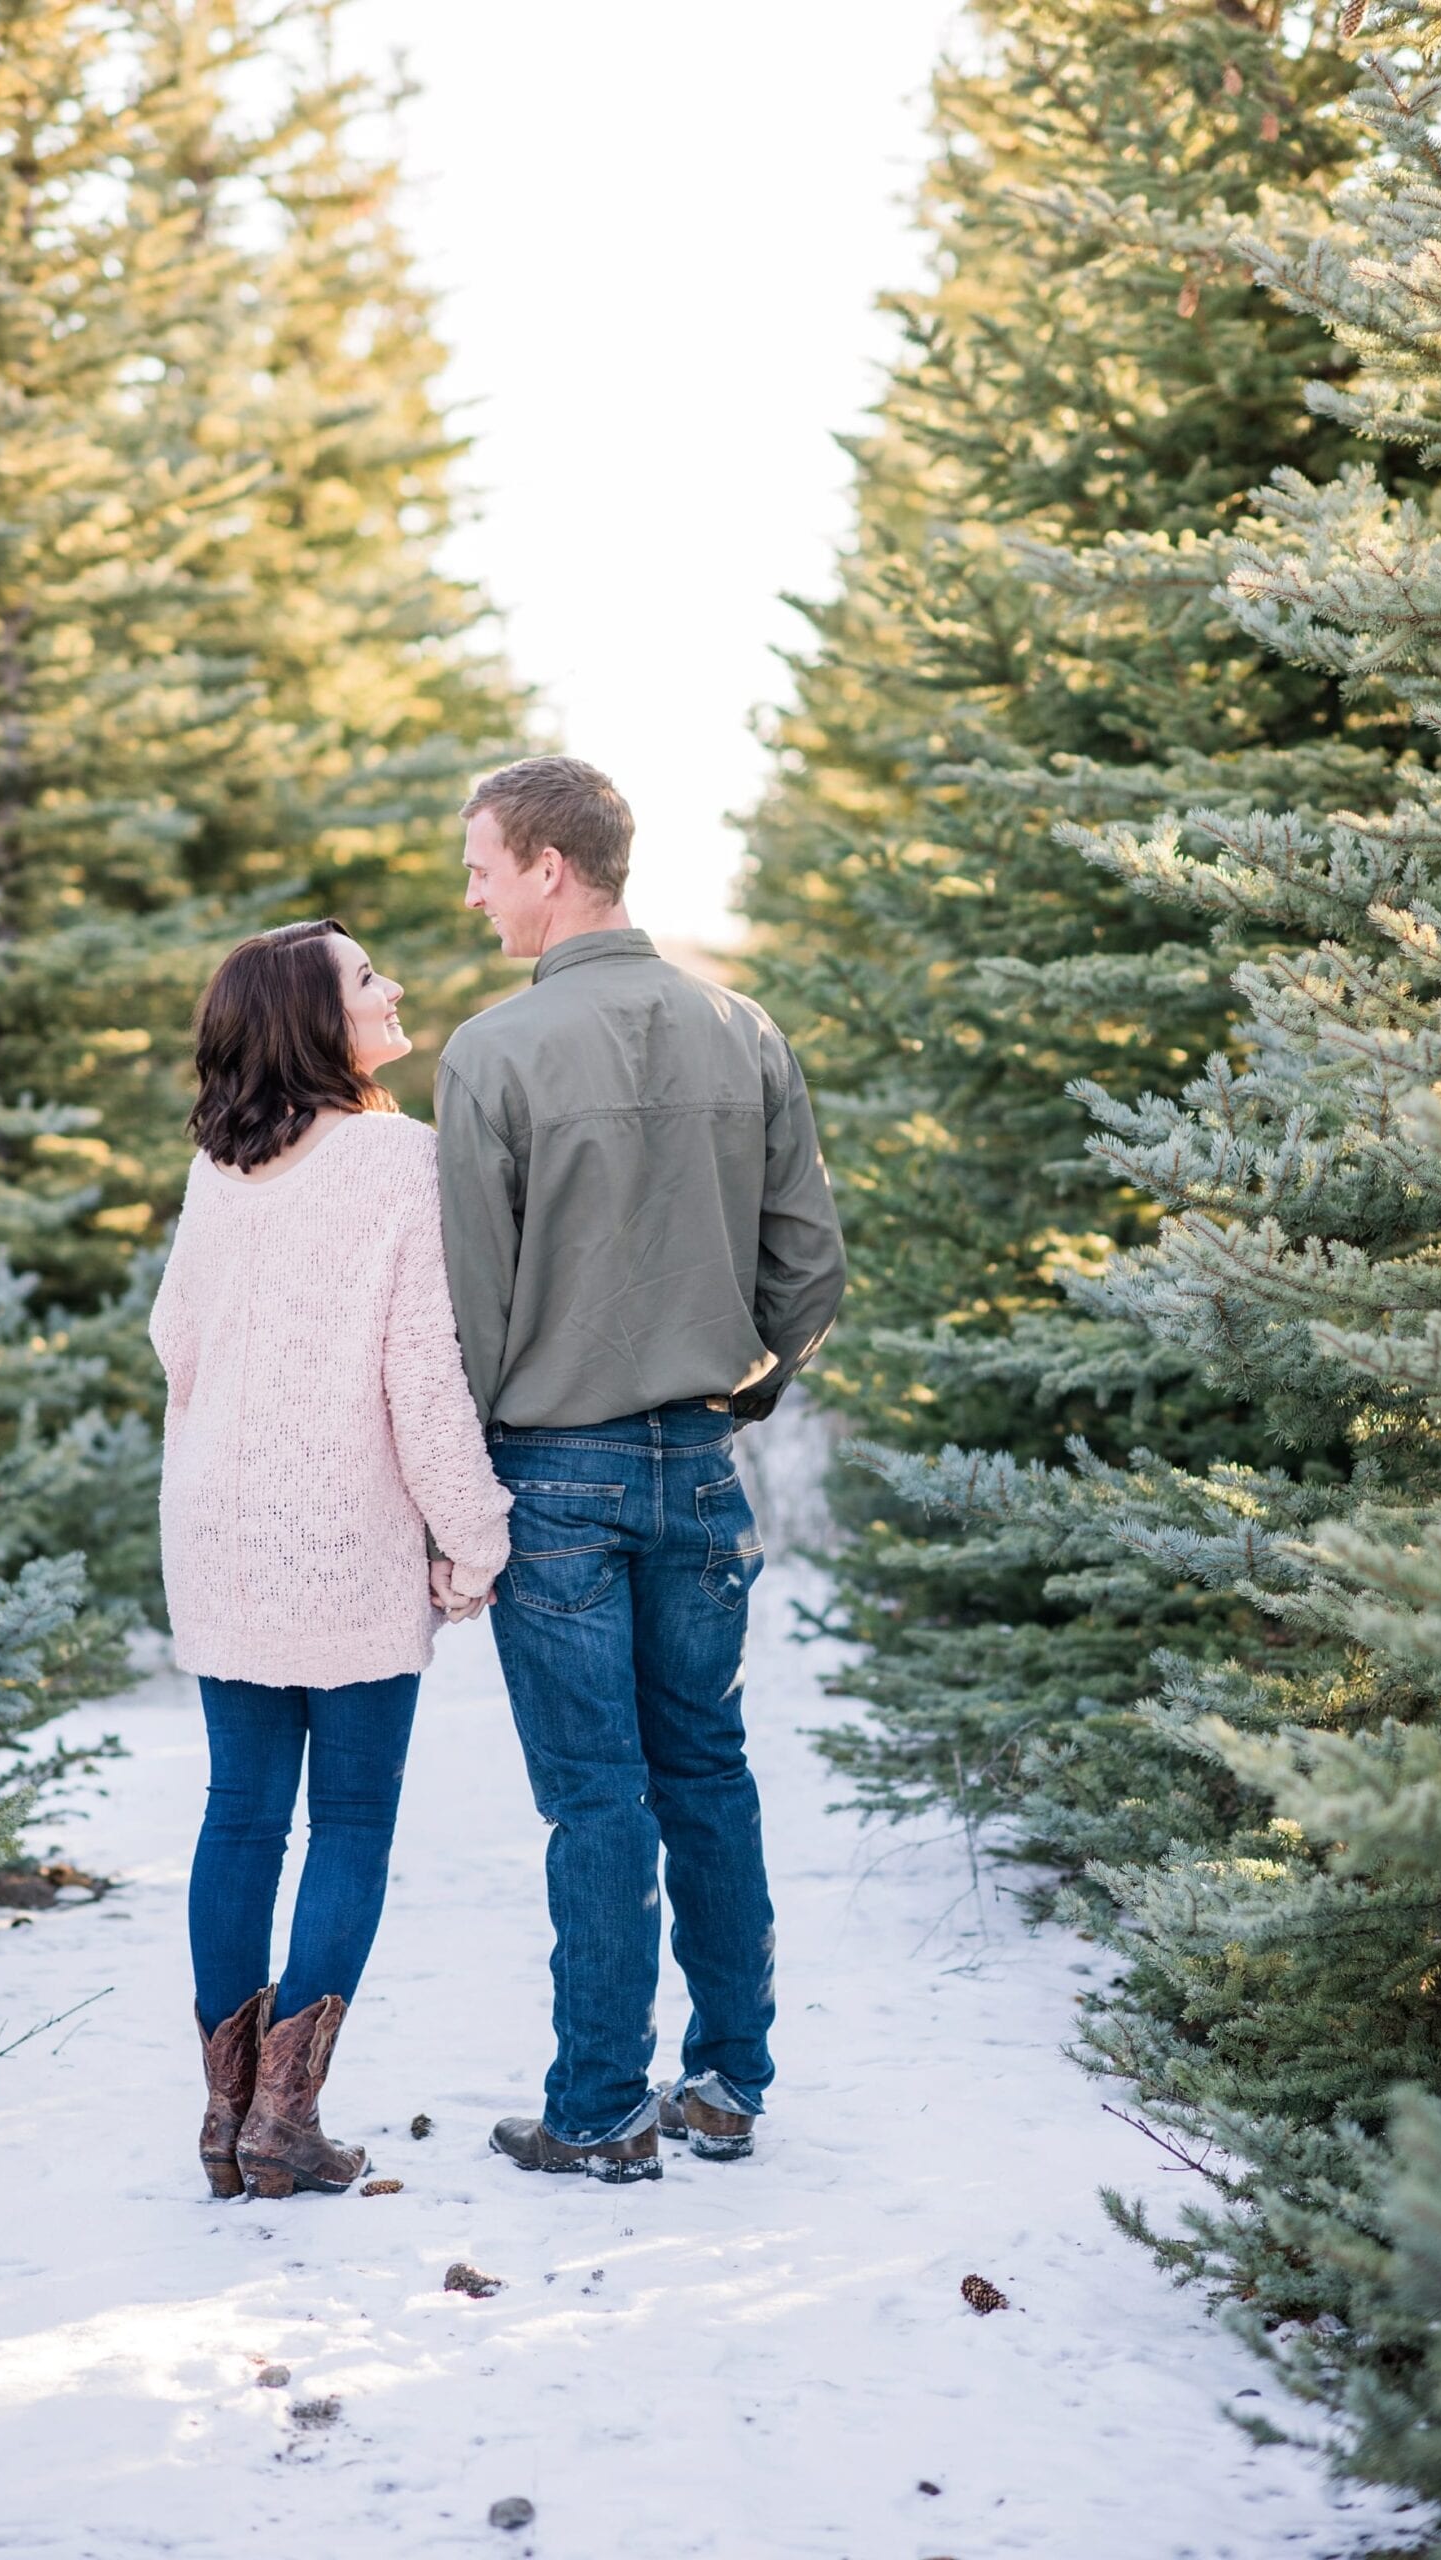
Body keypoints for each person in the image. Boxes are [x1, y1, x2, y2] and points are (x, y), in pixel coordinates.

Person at [435, 756, 847, 2183]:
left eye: (482, 862)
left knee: (596, 1798)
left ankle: (601, 2105)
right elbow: (811, 1266)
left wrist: (473, 1475)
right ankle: (727, 2083)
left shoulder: (491, 1055)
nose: (471, 888)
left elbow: (470, 1309)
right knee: (708, 1773)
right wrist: (744, 1392)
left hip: (553, 1475)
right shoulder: (743, 1028)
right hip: (698, 1463)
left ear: (552, 866)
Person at [150, 919, 510, 2202]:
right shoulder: (396, 1158)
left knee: (238, 1811)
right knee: (349, 1818)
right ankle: (285, 2123)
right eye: (366, 979)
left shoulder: (215, 1165)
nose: (392, 985)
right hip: (340, 1532)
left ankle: (223, 2113)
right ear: (314, 1018)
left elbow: (172, 1339)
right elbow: (424, 1373)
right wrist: (475, 1536)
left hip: (213, 1527)